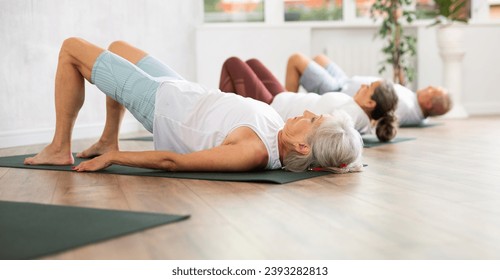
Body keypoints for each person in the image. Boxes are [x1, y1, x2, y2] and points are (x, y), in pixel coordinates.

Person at [24, 37, 364, 173]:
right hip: (181, 88)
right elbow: (338, 157)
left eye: (314, 119)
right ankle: (107, 137)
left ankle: (59, 147)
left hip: (159, 104)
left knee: (71, 48)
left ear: (303, 145)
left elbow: (175, 162)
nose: (306, 113)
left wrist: (117, 158)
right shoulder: (281, 131)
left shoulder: (254, 151)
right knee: (117, 46)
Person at [220, 56, 398, 142]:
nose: (362, 86)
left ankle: (222, 124)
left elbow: (334, 132)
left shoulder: (353, 115)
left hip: (273, 106)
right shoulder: (359, 113)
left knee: (233, 63)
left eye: (368, 87)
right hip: (283, 97)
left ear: (370, 103)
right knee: (252, 63)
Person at [286, 53, 452, 126]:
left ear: (429, 103)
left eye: (432, 90)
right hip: (346, 81)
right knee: (319, 58)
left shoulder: (407, 109)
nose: (429, 87)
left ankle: (287, 101)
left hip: (340, 91)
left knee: (296, 59)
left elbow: (379, 116)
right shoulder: (417, 109)